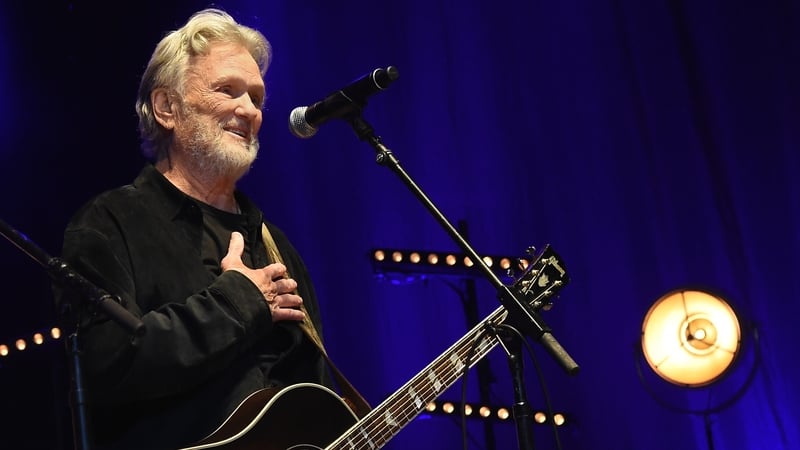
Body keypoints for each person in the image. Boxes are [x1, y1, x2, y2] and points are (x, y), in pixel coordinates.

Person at [54, 8, 333, 449]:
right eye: (228, 90)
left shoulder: (277, 247)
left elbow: (313, 395)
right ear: (167, 107)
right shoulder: (111, 222)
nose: (249, 110)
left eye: (258, 98)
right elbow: (106, 366)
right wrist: (240, 300)